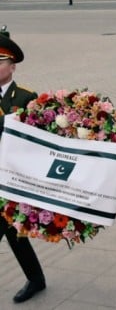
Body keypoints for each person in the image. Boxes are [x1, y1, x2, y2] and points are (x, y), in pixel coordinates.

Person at [0, 33, 47, 303]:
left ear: (13, 65)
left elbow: (36, 140)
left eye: (0, 60)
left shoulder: (27, 97)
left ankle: (36, 279)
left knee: (12, 231)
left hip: (14, 179)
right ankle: (36, 278)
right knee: (13, 233)